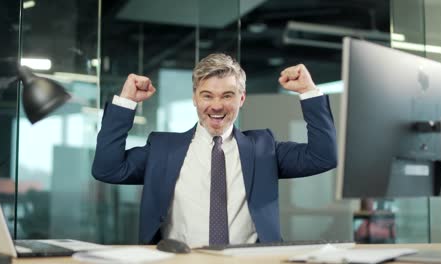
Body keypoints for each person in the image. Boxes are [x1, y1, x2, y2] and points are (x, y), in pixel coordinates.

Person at [92, 53, 337, 247]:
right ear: (195, 98)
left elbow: (322, 157)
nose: (217, 106)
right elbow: (108, 169)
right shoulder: (163, 149)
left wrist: (309, 92)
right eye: (207, 96)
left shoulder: (264, 148)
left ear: (241, 99)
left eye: (227, 95)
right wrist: (126, 102)